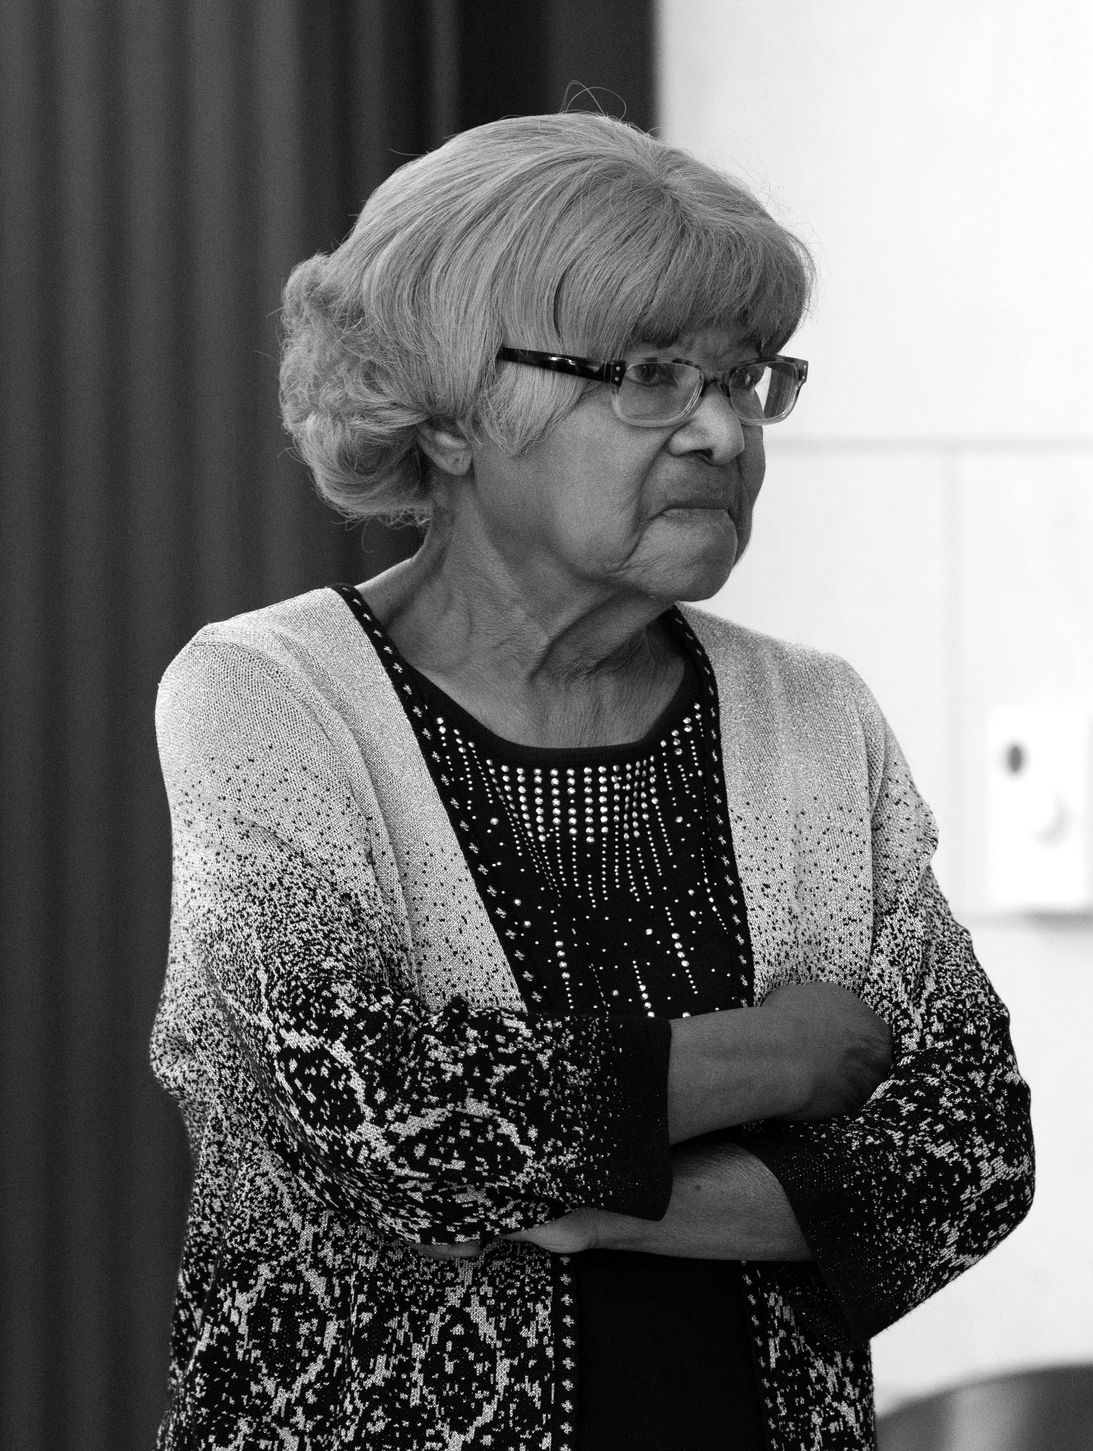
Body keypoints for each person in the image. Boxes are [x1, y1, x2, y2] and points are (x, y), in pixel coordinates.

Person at [151, 112, 1034, 1450]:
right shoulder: (275, 691)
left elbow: (959, 1162)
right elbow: (358, 1113)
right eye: (649, 375)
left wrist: (573, 1196)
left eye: (745, 382)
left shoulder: (809, 713)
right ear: (446, 414)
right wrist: (778, 1055)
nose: (722, 436)